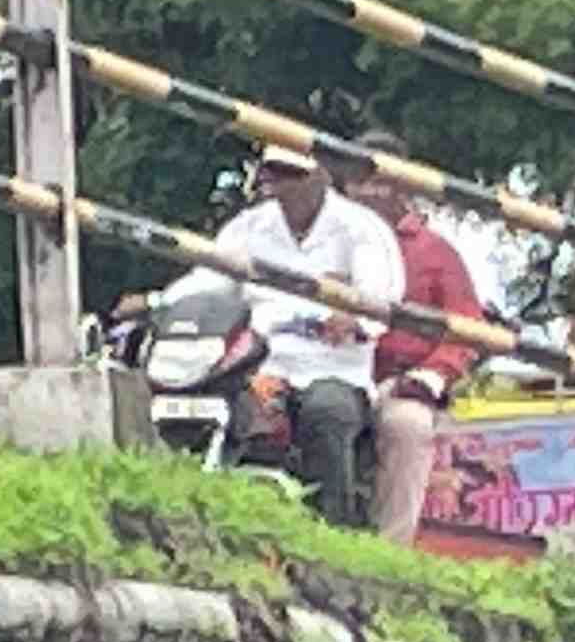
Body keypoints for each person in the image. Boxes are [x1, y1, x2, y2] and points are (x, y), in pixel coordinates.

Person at [124, 148, 403, 527]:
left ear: (320, 175)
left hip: (331, 368)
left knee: (327, 412)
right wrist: (155, 302)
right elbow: (207, 281)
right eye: (273, 172)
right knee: (198, 410)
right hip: (254, 363)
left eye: (291, 173)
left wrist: (354, 319)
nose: (280, 183)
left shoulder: (361, 228)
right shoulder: (248, 227)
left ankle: (334, 529)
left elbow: (381, 299)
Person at [333, 134, 484, 546]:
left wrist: (429, 377)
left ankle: (390, 547)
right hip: (323, 373)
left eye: (380, 181)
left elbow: (466, 330)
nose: (369, 191)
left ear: (404, 185)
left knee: (408, 424)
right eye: (359, 181)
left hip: (395, 384)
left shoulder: (436, 253)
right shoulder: (325, 241)